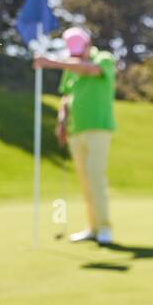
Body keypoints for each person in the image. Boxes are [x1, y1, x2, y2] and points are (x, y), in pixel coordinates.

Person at [33, 26, 117, 245]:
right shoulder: (71, 66)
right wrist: (62, 121)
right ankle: (93, 227)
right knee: (85, 181)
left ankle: (105, 228)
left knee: (95, 176)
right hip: (75, 130)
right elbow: (67, 96)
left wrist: (50, 62)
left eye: (79, 54)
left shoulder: (104, 58)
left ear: (88, 45)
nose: (76, 58)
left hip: (99, 128)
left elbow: (90, 70)